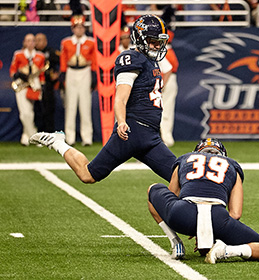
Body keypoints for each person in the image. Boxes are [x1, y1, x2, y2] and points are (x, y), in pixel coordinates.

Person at [30, 14, 181, 256]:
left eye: (159, 41)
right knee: (88, 175)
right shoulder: (131, 58)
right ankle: (58, 142)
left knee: (181, 179)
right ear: (141, 39)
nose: (157, 45)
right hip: (131, 132)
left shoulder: (151, 62)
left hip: (151, 136)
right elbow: (120, 97)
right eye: (153, 40)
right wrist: (120, 122)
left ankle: (176, 239)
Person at [148, 138, 259, 263]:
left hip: (182, 214)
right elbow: (235, 214)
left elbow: (172, 197)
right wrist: (211, 232)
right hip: (217, 218)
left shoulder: (185, 159)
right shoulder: (232, 165)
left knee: (153, 189)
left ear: (196, 152)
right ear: (223, 155)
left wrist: (195, 225)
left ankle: (176, 243)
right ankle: (227, 251)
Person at [59, 14, 97, 146]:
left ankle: (87, 137)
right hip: (71, 72)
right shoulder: (66, 42)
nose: (79, 30)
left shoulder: (91, 42)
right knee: (70, 106)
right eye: (77, 27)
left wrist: (93, 75)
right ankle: (70, 137)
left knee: (85, 106)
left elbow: (94, 60)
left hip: (84, 71)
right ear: (72, 28)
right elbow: (63, 59)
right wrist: (63, 74)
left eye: (81, 27)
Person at [9, 33, 46, 146]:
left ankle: (25, 138)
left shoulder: (40, 56)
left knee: (30, 112)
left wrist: (42, 85)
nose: (30, 43)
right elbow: (12, 71)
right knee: (25, 113)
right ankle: (33, 136)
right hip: (22, 85)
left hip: (34, 85)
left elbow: (42, 74)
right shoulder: (18, 54)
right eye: (28, 41)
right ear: (24, 43)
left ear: (35, 43)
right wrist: (20, 74)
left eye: (32, 41)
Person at [35, 33, 60, 132]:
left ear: (45, 41)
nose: (37, 42)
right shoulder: (32, 53)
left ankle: (50, 132)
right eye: (36, 40)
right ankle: (38, 132)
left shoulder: (51, 52)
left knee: (49, 109)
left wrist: (57, 74)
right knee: (37, 110)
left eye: (40, 40)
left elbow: (61, 63)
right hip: (35, 84)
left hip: (48, 84)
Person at [159, 30, 179, 147]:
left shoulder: (165, 51)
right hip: (170, 79)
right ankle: (165, 137)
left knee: (165, 110)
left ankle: (166, 138)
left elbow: (168, 69)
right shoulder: (168, 50)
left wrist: (162, 85)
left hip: (168, 80)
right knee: (166, 109)